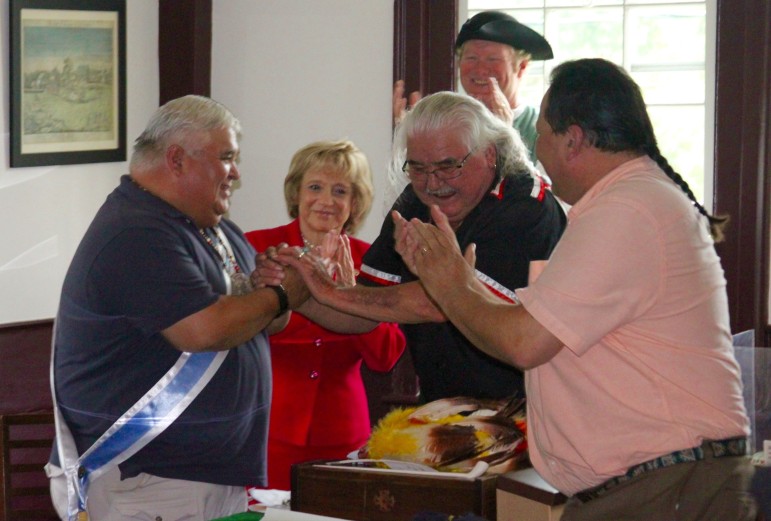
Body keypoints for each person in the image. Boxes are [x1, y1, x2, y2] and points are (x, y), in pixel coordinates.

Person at [393, 59, 756, 520]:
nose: (535, 148)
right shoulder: (625, 203)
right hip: (652, 484)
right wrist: (459, 282)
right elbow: (536, 329)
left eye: (540, 132)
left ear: (575, 138)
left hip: (667, 486)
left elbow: (524, 342)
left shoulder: (627, 210)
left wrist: (447, 282)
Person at [47, 95, 308, 521]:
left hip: (203, 478)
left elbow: (264, 323)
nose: (235, 173)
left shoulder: (212, 228)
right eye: (226, 158)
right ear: (177, 159)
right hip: (151, 480)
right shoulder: (136, 233)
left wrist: (273, 292)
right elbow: (203, 331)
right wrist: (281, 296)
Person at [264, 91, 566, 404]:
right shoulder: (414, 200)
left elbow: (436, 303)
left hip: (523, 412)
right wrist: (296, 291)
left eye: (449, 166)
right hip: (443, 408)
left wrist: (330, 291)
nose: (433, 185)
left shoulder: (525, 204)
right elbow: (365, 310)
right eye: (418, 169)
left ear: (489, 154)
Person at [244, 140, 406, 491]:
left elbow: (385, 357)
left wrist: (353, 298)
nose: (326, 201)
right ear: (296, 193)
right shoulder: (259, 249)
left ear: (355, 202)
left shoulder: (373, 262)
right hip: (269, 428)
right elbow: (240, 332)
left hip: (343, 433)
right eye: (315, 187)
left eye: (340, 191)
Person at [393, 10, 553, 162]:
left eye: (493, 59)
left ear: (521, 67)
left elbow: (542, 189)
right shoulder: (447, 125)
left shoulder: (543, 129)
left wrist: (505, 136)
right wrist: (410, 139)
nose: (480, 69)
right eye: (471, 58)